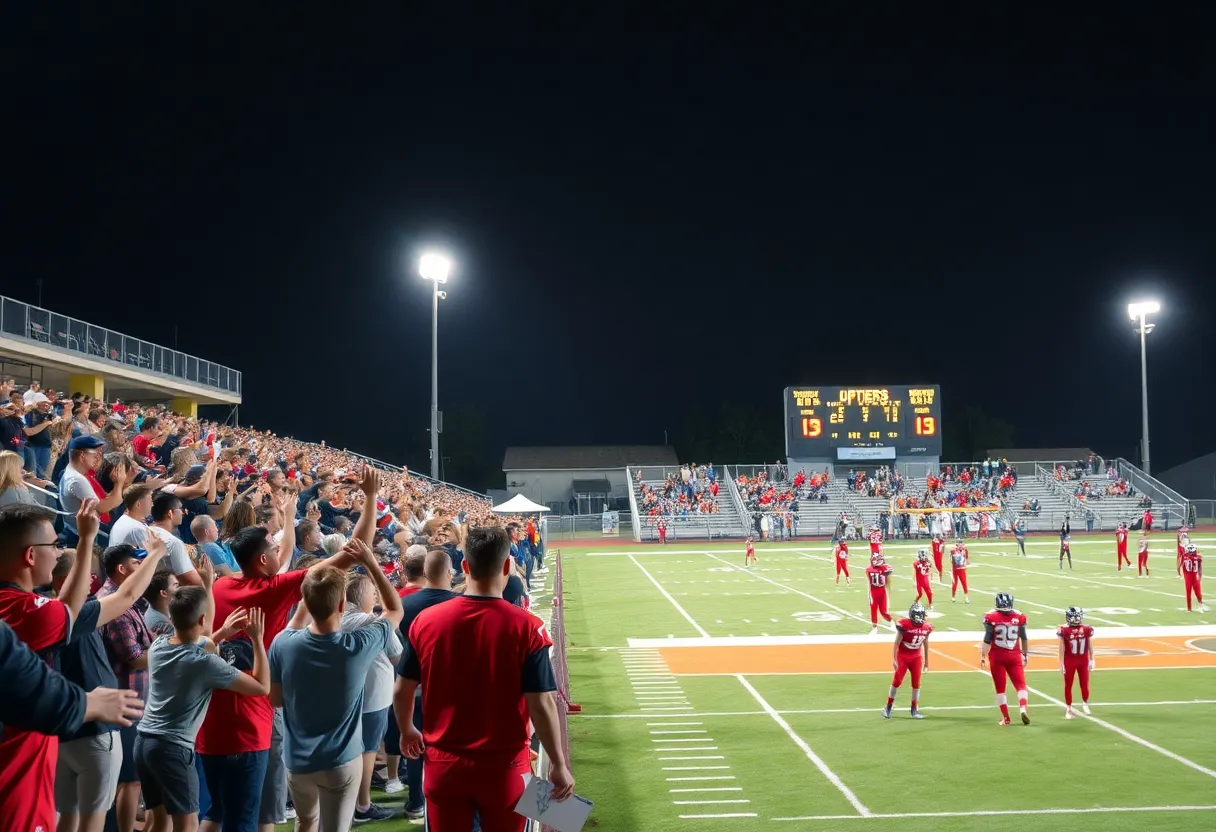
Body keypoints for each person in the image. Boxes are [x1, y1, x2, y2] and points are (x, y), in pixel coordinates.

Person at [197, 476, 364, 832]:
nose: (279, 553)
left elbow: (282, 558)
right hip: (250, 725)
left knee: (215, 813)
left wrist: (288, 520)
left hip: (209, 725)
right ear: (261, 559)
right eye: (272, 548)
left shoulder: (223, 585)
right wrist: (371, 496)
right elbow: (347, 556)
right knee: (246, 819)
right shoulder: (273, 591)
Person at [394, 525, 574, 831]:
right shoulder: (528, 627)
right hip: (505, 769)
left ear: (465, 567)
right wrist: (557, 763)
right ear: (507, 566)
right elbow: (541, 702)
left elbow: (402, 689)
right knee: (555, 816)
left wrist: (408, 729)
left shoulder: (426, 621)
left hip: (443, 766)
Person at [269, 538, 403, 832]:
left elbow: (275, 699)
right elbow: (394, 611)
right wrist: (370, 563)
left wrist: (312, 590)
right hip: (341, 760)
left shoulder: (282, 642)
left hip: (297, 760)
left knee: (305, 823)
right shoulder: (358, 645)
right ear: (343, 604)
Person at [0, 500, 111, 831]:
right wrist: (87, 540)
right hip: (15, 779)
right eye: (55, 545)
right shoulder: (26, 610)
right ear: (30, 556)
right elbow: (70, 608)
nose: (60, 553)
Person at [55, 538, 169, 832]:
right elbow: (133, 654)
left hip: (71, 722)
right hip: (98, 725)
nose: (93, 580)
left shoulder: (59, 612)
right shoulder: (76, 612)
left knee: (71, 813)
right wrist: (156, 553)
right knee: (98, 810)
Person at [136, 592, 270, 832]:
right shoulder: (203, 662)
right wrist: (257, 640)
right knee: (186, 824)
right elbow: (261, 687)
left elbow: (201, 643)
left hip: (144, 743)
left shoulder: (158, 645)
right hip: (172, 749)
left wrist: (222, 633)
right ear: (201, 621)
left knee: (159, 821)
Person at [337, 570, 404, 824]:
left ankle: (352, 803)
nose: (375, 595)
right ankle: (362, 805)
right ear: (360, 595)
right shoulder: (370, 622)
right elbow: (396, 654)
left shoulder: (338, 619)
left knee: (354, 751)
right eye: (371, 591)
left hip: (348, 696)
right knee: (367, 752)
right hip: (374, 696)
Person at [980, 592, 1030, 726]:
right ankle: (1023, 709)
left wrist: (983, 656)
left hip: (997, 656)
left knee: (1000, 689)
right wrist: (1025, 654)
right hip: (1014, 655)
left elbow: (987, 639)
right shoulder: (1019, 616)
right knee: (1021, 685)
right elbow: (1024, 638)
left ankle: (1006, 718)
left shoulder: (991, 616)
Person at [884, 602, 931, 720]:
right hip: (903, 656)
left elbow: (925, 643)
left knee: (916, 683)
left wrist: (926, 662)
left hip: (916, 657)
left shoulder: (926, 627)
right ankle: (888, 707)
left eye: (921, 615)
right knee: (897, 681)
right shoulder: (905, 625)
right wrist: (894, 659)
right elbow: (896, 643)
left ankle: (914, 709)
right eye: (917, 615)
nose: (919, 618)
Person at [1057, 606, 1094, 719]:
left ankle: (1085, 703)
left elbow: (1089, 643)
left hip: (1083, 659)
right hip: (1070, 660)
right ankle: (1068, 708)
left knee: (1084, 683)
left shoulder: (1086, 629)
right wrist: (1061, 663)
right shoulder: (1064, 630)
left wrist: (1092, 658)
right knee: (1068, 685)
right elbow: (1061, 647)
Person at [865, 552, 893, 634]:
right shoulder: (869, 569)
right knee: (873, 610)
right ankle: (874, 628)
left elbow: (889, 569)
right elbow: (885, 570)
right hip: (873, 592)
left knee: (883, 611)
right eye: (879, 559)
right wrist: (883, 570)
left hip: (882, 591)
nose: (881, 561)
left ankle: (891, 621)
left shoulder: (883, 567)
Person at [1179, 544, 1206, 613]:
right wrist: (1200, 576)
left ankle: (1189, 608)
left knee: (1188, 593)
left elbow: (1183, 554)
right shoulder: (1198, 557)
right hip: (1195, 575)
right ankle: (1201, 605)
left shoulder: (1185, 556)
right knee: (1198, 592)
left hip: (1188, 576)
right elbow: (1199, 566)